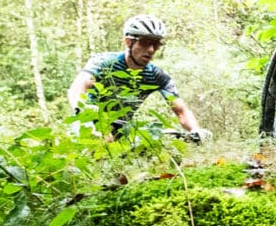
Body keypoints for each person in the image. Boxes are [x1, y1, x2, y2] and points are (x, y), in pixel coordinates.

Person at [68, 15, 207, 142]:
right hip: (90, 121)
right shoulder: (104, 62)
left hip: (123, 129)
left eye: (156, 44)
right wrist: (89, 118)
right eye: (145, 42)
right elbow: (77, 89)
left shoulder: (157, 76)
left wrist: (196, 131)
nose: (151, 50)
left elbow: (181, 111)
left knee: (165, 137)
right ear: (128, 42)